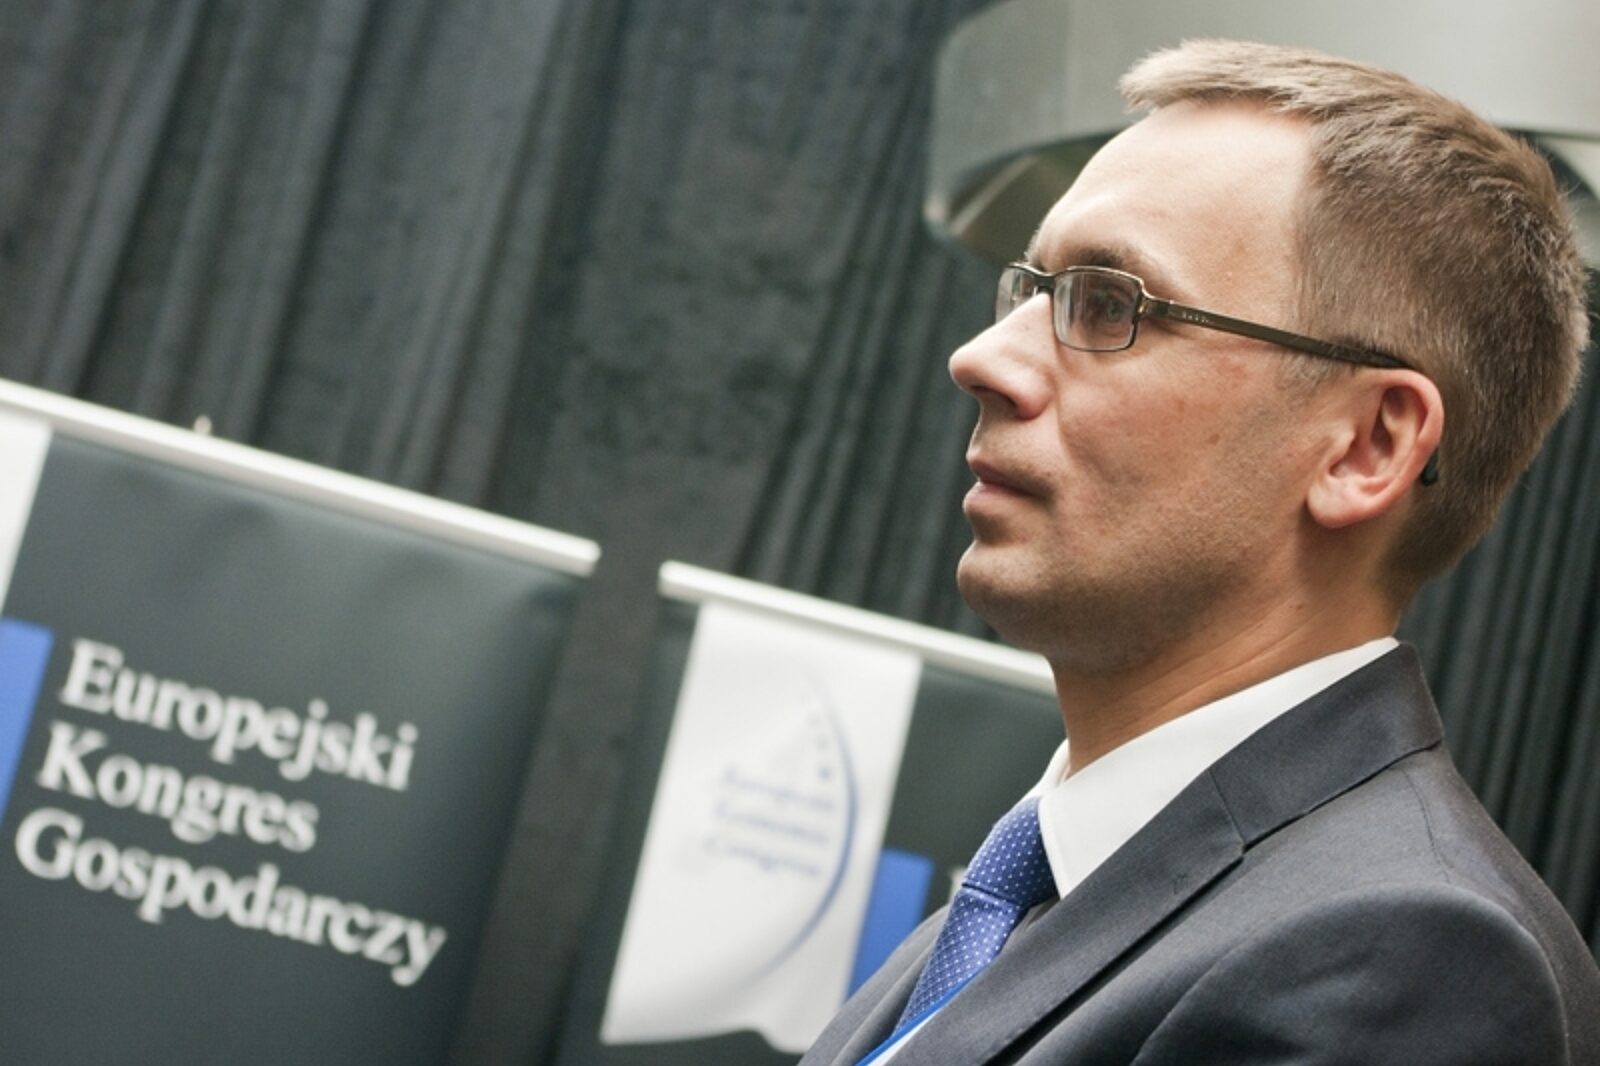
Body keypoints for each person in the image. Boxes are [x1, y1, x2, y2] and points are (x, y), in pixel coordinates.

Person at [800, 38, 1600, 1066]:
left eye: (1109, 303)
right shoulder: (1040, 886)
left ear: (1366, 447)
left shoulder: (1404, 957)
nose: (982, 358)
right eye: (1030, 290)